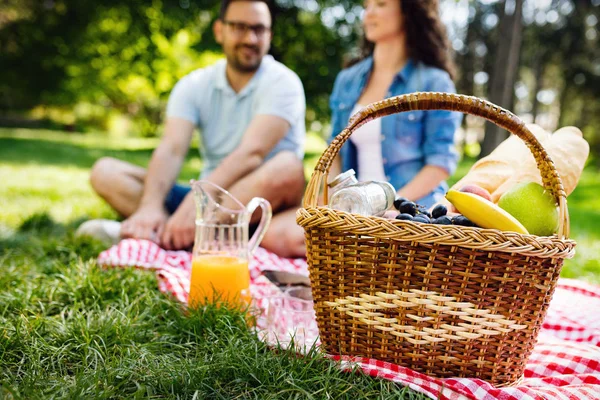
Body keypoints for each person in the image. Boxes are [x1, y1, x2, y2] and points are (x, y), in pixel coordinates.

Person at [76, 0, 307, 258]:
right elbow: (171, 149)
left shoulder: (283, 82)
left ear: (269, 35)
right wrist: (150, 205)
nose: (250, 38)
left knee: (287, 165)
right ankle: (173, 231)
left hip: (260, 202)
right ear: (219, 30)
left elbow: (251, 153)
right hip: (204, 198)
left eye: (259, 29)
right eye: (239, 27)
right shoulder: (194, 84)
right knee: (105, 172)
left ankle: (167, 236)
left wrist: (194, 208)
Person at [328, 0, 462, 209]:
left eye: (381, 5)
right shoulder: (347, 80)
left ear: (407, 13)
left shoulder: (434, 83)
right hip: (357, 213)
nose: (369, 14)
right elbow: (334, 151)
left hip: (412, 211)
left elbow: (440, 163)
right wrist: (337, 202)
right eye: (367, 6)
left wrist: (389, 205)